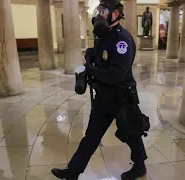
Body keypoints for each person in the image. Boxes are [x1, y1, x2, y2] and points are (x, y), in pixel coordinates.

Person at [51, 0, 149, 179]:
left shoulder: (122, 40)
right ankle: (73, 171)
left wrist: (90, 70)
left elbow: (116, 74)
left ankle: (140, 165)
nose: (99, 16)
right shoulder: (102, 35)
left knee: (131, 132)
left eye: (104, 12)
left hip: (122, 97)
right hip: (103, 97)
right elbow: (102, 54)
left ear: (115, 14)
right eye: (99, 11)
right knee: (91, 137)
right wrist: (91, 53)